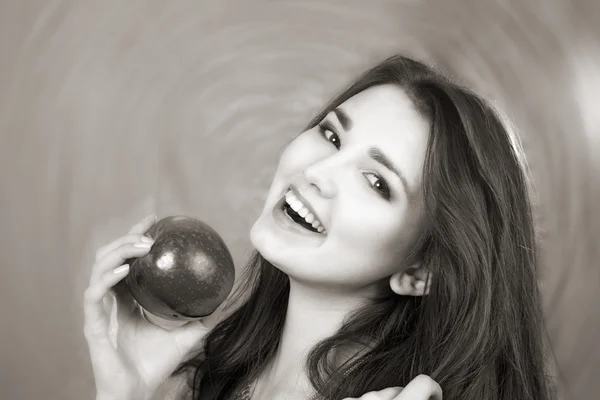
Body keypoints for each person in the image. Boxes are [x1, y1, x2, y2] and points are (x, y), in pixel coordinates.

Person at [84, 54, 556, 400]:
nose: (317, 172)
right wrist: (127, 391)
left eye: (376, 181)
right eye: (331, 136)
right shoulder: (199, 378)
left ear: (421, 270)